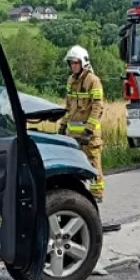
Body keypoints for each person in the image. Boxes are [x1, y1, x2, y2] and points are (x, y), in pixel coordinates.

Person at [59, 45, 105, 201]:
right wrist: (63, 124)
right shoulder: (71, 80)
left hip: (89, 135)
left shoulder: (93, 81)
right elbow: (68, 105)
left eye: (76, 63)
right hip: (73, 134)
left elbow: (98, 106)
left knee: (93, 162)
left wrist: (89, 129)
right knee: (75, 165)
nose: (73, 66)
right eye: (71, 63)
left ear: (84, 62)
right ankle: (79, 193)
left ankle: (97, 193)